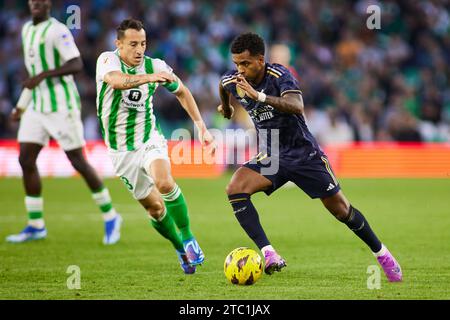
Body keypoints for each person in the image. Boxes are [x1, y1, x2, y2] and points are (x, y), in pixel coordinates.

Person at [218, 32, 402, 282]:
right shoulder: (234, 80)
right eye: (237, 63)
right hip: (272, 153)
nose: (240, 69)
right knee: (235, 188)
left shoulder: (279, 75)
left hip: (304, 153)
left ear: (260, 60)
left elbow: (296, 106)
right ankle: (269, 253)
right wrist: (227, 107)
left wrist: (258, 96)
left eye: (246, 63)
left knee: (341, 210)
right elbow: (223, 84)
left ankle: (383, 254)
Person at [96, 18, 216, 274]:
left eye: (143, 43)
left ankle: (187, 236)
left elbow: (182, 91)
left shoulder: (156, 65)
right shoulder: (107, 60)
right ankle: (179, 248)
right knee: (155, 209)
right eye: (133, 44)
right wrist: (150, 77)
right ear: (119, 44)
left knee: (164, 182)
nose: (140, 50)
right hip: (120, 151)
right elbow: (116, 82)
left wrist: (201, 126)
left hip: (149, 138)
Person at [7, 0, 121, 245]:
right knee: (25, 159)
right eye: (33, 0)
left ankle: (111, 216)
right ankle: (36, 225)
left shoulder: (58, 30)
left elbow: (76, 64)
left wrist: (41, 77)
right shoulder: (27, 29)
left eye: (42, 0)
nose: (37, 3)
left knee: (78, 161)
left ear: (48, 4)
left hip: (61, 106)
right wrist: (21, 104)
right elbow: (32, 74)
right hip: (36, 106)